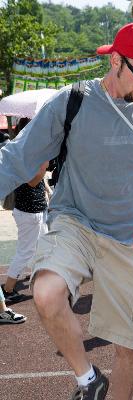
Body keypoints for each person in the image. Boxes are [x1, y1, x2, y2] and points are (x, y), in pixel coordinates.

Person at [0, 22, 133, 400]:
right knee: (45, 293)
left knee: (129, 347)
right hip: (75, 220)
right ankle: (88, 380)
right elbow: (17, 156)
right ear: (114, 60)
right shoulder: (71, 101)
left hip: (130, 235)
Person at [1, 118, 50, 302]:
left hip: (31, 209)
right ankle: (8, 289)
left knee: (43, 246)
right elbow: (32, 181)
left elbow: (38, 182)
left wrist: (48, 189)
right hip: (30, 211)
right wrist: (44, 165)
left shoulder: (22, 149)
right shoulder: (28, 153)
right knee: (26, 251)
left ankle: (39, 278)